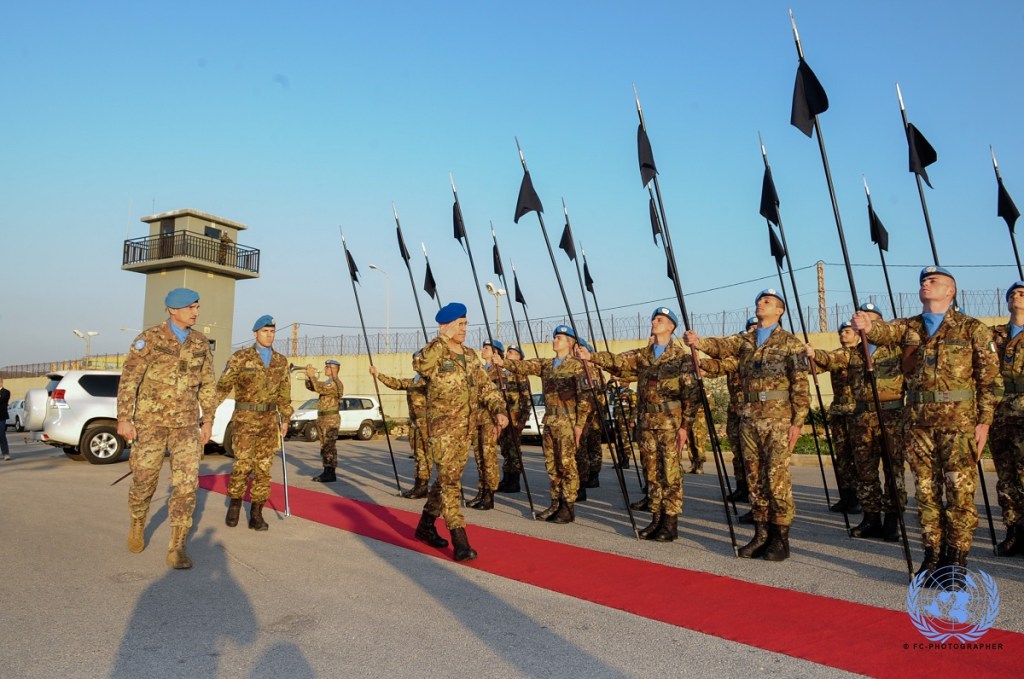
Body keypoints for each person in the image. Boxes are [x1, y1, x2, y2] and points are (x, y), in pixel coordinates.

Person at [852, 267, 1001, 579]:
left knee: (959, 493)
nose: (925, 283)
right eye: (923, 281)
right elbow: (883, 333)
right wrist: (866, 324)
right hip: (919, 425)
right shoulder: (910, 327)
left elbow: (990, 382)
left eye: (933, 281)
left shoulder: (972, 329)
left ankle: (956, 559)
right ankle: (932, 556)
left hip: (959, 424)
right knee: (926, 492)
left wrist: (984, 423)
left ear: (950, 291)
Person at [583, 307, 728, 542]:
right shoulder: (644, 355)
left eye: (660, 319)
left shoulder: (681, 357)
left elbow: (692, 395)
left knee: (670, 473)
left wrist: (685, 427)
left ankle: (670, 522)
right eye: (653, 318)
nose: (654, 321)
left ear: (671, 326)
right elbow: (618, 362)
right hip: (647, 423)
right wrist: (593, 357)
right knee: (651, 472)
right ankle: (656, 517)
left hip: (671, 423)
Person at [685, 289, 809, 562]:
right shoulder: (746, 341)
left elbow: (800, 385)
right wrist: (699, 342)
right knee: (754, 477)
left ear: (779, 311)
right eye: (758, 301)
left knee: (776, 479)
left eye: (767, 302)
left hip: (778, 420)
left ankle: (780, 538)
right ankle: (761, 533)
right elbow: (722, 348)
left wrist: (798, 422)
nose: (760, 304)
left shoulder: (791, 344)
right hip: (749, 418)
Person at [116, 288, 217, 570]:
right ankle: (137, 520)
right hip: (151, 423)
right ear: (173, 310)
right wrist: (125, 418)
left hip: (185, 424)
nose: (196, 312)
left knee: (186, 485)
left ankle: (178, 546)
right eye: (190, 308)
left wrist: (207, 419)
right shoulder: (149, 339)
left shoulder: (199, 342)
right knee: (144, 478)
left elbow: (207, 384)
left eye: (197, 307)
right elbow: (129, 381)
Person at [413, 303, 508, 561]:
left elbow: (485, 386)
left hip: (465, 430)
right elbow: (420, 366)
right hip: (443, 431)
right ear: (446, 325)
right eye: (460, 324)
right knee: (451, 482)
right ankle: (460, 539)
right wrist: (442, 338)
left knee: (446, 479)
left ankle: (425, 526)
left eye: (466, 324)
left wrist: (499, 408)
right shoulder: (435, 351)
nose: (465, 329)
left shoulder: (469, 355)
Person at [494, 325, 590, 525]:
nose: (555, 340)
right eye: (555, 337)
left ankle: (568, 505)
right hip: (550, 421)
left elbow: (585, 398)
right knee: (552, 465)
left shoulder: (578, 366)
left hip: (568, 421)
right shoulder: (547, 365)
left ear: (570, 342)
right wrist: (503, 362)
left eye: (561, 338)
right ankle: (555, 502)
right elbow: (525, 366)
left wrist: (580, 425)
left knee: (566, 464)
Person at [215, 315, 293, 531]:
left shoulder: (280, 361)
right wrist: (207, 412)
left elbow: (284, 394)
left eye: (272, 331)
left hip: (269, 421)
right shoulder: (240, 358)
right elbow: (223, 386)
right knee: (242, 465)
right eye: (265, 331)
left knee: (264, 468)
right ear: (255, 333)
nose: (269, 335)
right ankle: (235, 504)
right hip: (245, 420)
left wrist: (285, 418)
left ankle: (256, 513)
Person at [805, 320, 863, 517]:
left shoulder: (861, 354)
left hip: (857, 410)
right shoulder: (838, 354)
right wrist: (810, 360)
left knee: (859, 455)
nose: (843, 334)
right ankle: (846, 497)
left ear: (857, 333)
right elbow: (821, 365)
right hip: (839, 410)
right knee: (842, 456)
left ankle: (859, 498)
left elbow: (828, 357)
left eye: (847, 331)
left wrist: (817, 354)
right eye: (841, 332)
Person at [987, 281, 1024, 556]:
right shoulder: (993, 334)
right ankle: (1013, 531)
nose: (1016, 297)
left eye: (1022, 293)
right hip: (999, 413)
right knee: (1006, 477)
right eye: (1011, 294)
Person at [370, 355, 430, 499]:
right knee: (417, 454)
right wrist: (378, 375)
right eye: (414, 360)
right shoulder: (413, 381)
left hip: (426, 423)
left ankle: (424, 486)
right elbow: (395, 383)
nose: (415, 363)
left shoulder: (428, 381)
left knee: (424, 455)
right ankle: (419, 484)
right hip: (415, 423)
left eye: (418, 360)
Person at [468, 339, 505, 510]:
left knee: (489, 457)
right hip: (477, 418)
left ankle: (489, 494)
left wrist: (499, 423)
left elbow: (501, 400)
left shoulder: (499, 373)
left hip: (490, 419)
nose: (482, 350)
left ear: (496, 352)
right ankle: (481, 490)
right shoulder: (479, 372)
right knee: (479, 457)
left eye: (487, 348)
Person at [727, 317, 757, 519]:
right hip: (735, 407)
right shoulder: (739, 356)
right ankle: (741, 487)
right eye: (750, 329)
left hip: (754, 409)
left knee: (755, 457)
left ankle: (757, 499)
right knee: (738, 450)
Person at [496, 344, 533, 494]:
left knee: (514, 451)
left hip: (515, 418)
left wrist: (522, 419)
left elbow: (526, 399)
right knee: (505, 449)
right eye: (508, 352)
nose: (508, 355)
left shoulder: (520, 375)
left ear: (519, 357)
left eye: (512, 353)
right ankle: (507, 478)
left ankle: (514, 481)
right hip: (504, 418)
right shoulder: (503, 373)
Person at [305, 359, 343, 482]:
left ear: (334, 369)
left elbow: (319, 388)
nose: (325, 368)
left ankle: (331, 473)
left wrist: (313, 377)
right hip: (323, 417)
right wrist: (308, 377)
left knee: (329, 446)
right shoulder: (328, 382)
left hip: (330, 418)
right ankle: (326, 470)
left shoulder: (335, 383)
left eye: (327, 367)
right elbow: (312, 387)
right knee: (324, 446)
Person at [0, 378, 10, 460]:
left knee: (1, 434)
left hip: (1, 417)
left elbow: (2, 401)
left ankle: (6, 453)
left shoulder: (6, 392)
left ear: (1, 383)